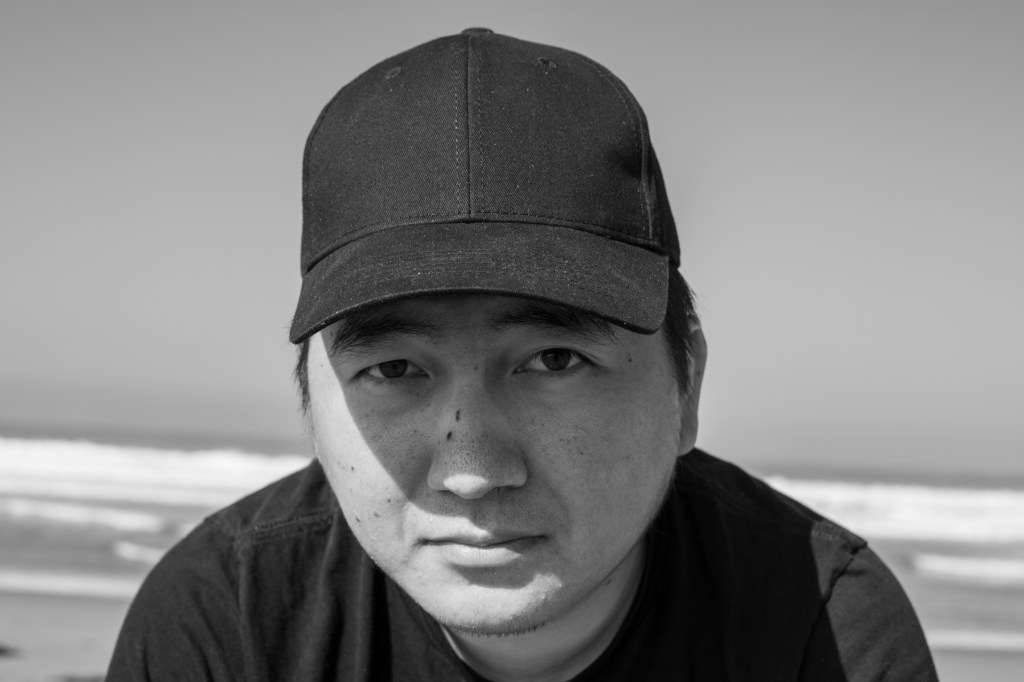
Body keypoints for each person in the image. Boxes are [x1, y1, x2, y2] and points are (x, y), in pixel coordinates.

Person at [108, 29, 937, 681]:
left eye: (554, 360)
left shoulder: (824, 630)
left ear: (686, 390)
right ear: (312, 408)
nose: (472, 471)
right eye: (393, 369)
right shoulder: (228, 619)